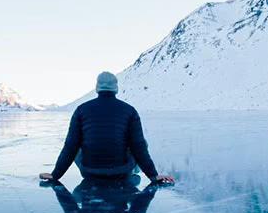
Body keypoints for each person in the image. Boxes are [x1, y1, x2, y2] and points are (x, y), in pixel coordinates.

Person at [39, 72, 174, 184]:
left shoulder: (81, 110)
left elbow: (70, 146)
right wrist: (153, 176)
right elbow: (138, 147)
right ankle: (134, 171)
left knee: (76, 142)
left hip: (89, 171)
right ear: (116, 88)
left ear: (97, 87)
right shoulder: (130, 111)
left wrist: (55, 175)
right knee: (141, 142)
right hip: (121, 172)